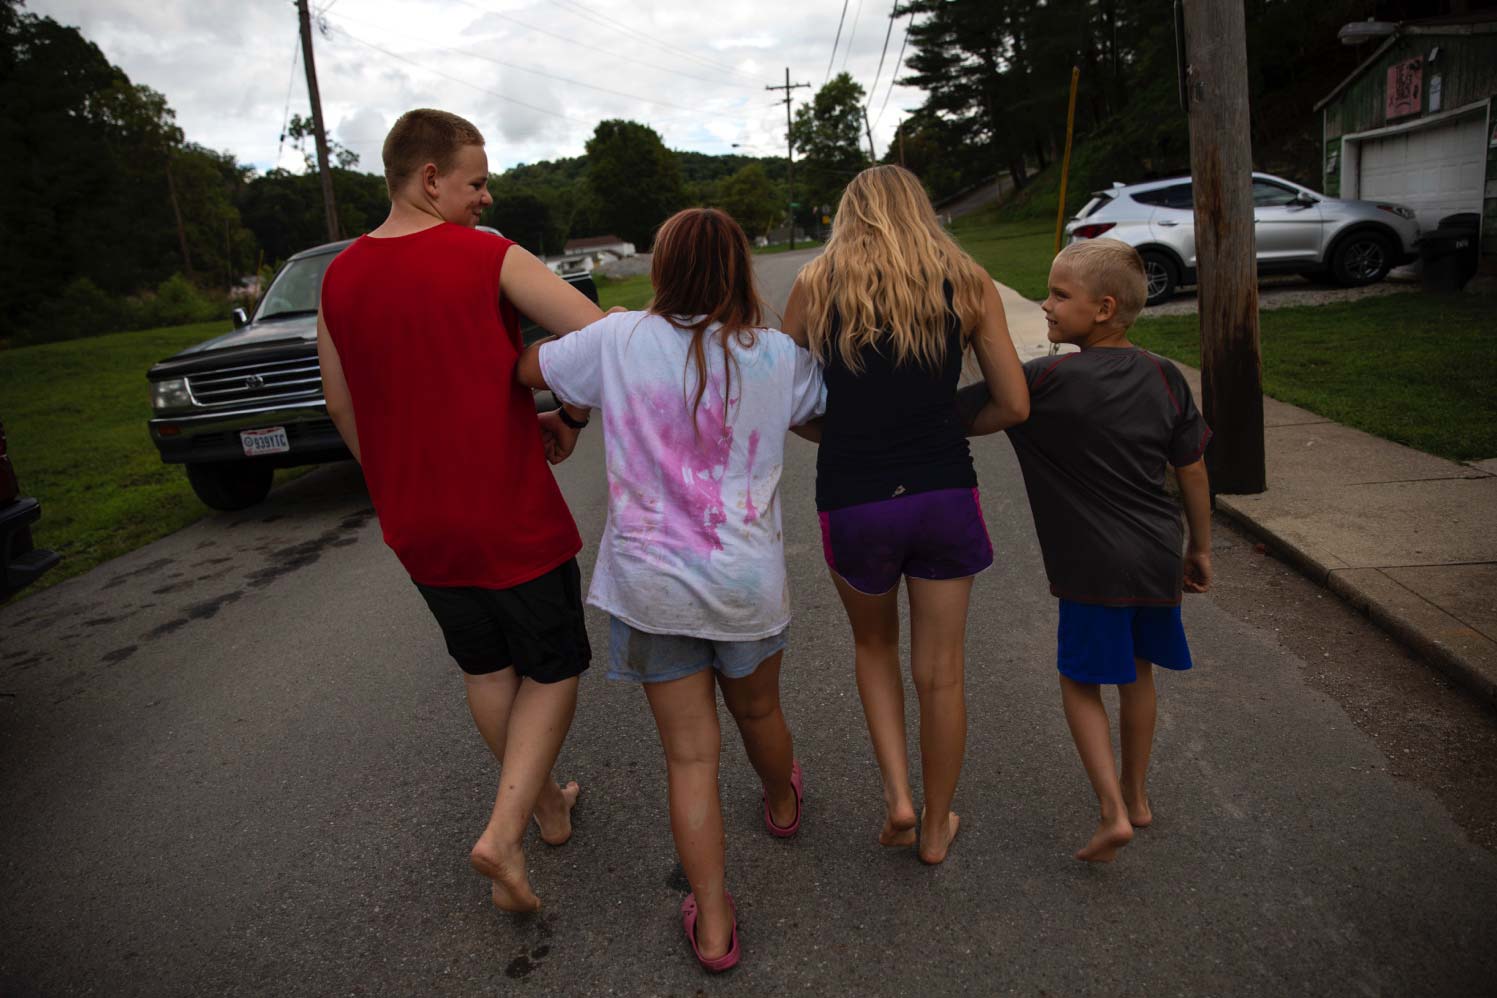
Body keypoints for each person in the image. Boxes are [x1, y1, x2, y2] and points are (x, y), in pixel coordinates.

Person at [515, 208, 824, 972]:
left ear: (662, 268)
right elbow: (830, 412)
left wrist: (585, 368)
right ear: (739, 270)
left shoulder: (615, 340)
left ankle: (713, 924)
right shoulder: (779, 356)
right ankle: (782, 804)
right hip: (747, 584)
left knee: (689, 759)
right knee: (760, 710)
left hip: (652, 587)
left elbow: (528, 370)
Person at [317, 108, 605, 912]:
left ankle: (548, 807)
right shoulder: (487, 255)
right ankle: (505, 832)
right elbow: (601, 341)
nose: (485, 197)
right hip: (506, 508)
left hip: (417, 522)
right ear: (431, 177)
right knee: (553, 669)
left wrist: (399, 482)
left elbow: (340, 406)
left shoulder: (336, 278)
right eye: (475, 181)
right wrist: (570, 418)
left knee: (486, 667)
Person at [781, 165, 1030, 864]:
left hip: (854, 499)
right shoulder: (967, 279)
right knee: (941, 672)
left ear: (846, 214)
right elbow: (1012, 404)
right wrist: (941, 426)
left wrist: (849, 435)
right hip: (943, 492)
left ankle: (896, 796)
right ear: (920, 209)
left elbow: (789, 402)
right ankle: (934, 824)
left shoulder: (814, 284)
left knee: (874, 649)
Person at [958, 238, 1213, 863]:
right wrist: (1200, 546)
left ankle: (1110, 811)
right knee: (1139, 673)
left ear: (1102, 309)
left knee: (1081, 682)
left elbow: (963, 410)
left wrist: (969, 333)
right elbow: (1192, 468)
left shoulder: (1045, 382)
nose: (1045, 305)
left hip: (1090, 564)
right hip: (1158, 551)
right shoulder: (1165, 375)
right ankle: (1138, 793)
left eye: (1058, 296)